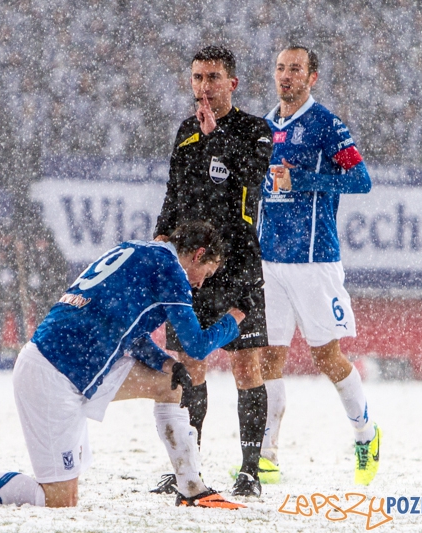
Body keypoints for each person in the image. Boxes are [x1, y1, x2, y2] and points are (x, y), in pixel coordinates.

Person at [0, 222, 247, 509]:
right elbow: (197, 345)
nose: (200, 283)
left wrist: (165, 362)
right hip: (53, 375)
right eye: (207, 273)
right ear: (198, 255)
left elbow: (124, 330)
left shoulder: (137, 251)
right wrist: (235, 319)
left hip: (78, 364)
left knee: (169, 383)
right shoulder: (170, 269)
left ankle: (192, 489)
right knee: (58, 501)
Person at [152, 46, 272, 498]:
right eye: (198, 77)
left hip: (238, 266)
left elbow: (251, 178)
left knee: (246, 366)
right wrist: (162, 236)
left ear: (232, 84)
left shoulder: (254, 130)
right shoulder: (186, 132)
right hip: (192, 268)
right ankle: (190, 466)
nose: (204, 86)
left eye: (213, 77)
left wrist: (216, 136)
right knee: (191, 366)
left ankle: (250, 471)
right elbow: (173, 193)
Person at [258, 45, 379, 485]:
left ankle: (366, 434)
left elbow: (360, 180)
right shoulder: (266, 126)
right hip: (269, 260)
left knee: (327, 357)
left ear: (312, 77)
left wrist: (305, 179)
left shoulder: (327, 124)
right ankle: (266, 455)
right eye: (280, 68)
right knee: (268, 356)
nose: (285, 76)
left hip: (313, 260)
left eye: (295, 69)